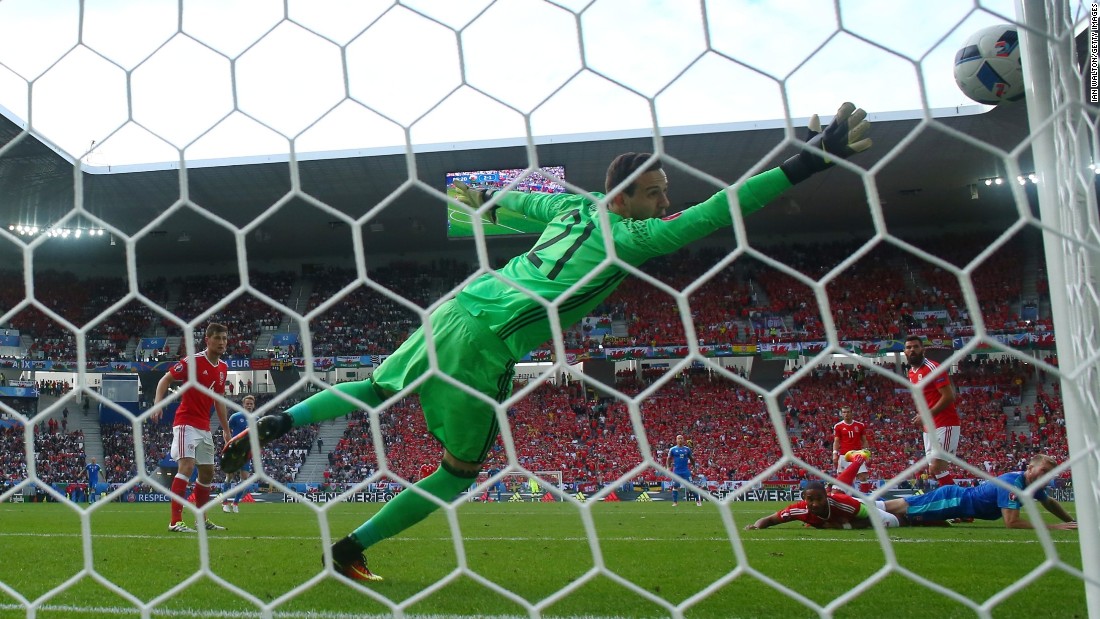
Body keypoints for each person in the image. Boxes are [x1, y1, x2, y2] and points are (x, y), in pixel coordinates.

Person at [221, 103, 873, 581]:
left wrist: (477, 200)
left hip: (454, 305)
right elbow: (724, 208)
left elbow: (475, 196)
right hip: (487, 338)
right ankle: (350, 547)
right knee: (456, 473)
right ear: (624, 196)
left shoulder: (569, 206)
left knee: (376, 385)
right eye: (655, 194)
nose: (665, 203)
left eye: (665, 193)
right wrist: (812, 157)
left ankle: (276, 419)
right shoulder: (633, 235)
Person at [152, 323, 232, 533]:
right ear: (208, 340)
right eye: (218, 338)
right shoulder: (192, 362)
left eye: (224, 338)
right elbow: (165, 379)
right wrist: (158, 404)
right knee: (186, 467)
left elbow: (219, 400)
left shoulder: (223, 368)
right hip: (185, 423)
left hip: (204, 426)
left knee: (207, 472)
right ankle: (175, 521)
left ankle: (201, 519)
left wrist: (225, 429)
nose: (222, 342)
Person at [882, 454, 1077, 529]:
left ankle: (860, 509)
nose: (1047, 476)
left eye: (1051, 474)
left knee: (906, 517)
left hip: (957, 505)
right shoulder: (1013, 484)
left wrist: (1070, 521)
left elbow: (1049, 502)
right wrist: (1054, 527)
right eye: (1043, 471)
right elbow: (1012, 522)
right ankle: (859, 507)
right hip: (953, 500)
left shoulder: (1031, 485)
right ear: (1030, 469)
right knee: (900, 508)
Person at [745, 453, 898, 529]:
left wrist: (845, 526)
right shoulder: (799, 510)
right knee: (886, 505)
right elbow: (770, 519)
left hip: (859, 508)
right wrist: (756, 526)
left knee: (897, 520)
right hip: (846, 503)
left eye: (819, 499)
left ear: (826, 496)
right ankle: (859, 459)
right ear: (804, 498)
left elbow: (869, 516)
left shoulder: (842, 504)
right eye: (810, 499)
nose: (815, 504)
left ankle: (859, 459)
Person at [904, 335, 960, 489]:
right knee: (935, 471)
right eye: (909, 347)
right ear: (904, 352)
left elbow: (949, 396)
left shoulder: (933, 367)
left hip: (944, 423)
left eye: (916, 346)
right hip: (929, 428)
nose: (912, 350)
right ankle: (955, 506)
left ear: (923, 349)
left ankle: (961, 506)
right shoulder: (911, 372)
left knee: (937, 467)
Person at [223, 394, 257, 514]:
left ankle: (235, 503)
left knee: (244, 479)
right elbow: (225, 430)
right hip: (234, 451)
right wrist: (228, 444)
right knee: (230, 477)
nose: (249, 405)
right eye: (247, 403)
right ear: (243, 405)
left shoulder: (257, 419)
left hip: (246, 452)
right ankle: (225, 502)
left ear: (254, 405)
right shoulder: (235, 417)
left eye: (251, 404)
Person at [832, 406, 870, 488]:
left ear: (851, 413)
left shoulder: (860, 425)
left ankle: (865, 497)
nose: (846, 414)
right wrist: (835, 453)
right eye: (844, 412)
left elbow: (864, 440)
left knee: (863, 476)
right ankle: (843, 498)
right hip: (844, 455)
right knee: (842, 478)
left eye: (848, 412)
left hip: (858, 454)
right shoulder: (838, 426)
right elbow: (836, 441)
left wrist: (866, 452)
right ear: (842, 414)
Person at [664, 434, 699, 507]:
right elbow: (669, 458)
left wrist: (694, 467)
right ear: (676, 440)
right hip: (676, 471)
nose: (680, 439)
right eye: (678, 438)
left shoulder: (687, 449)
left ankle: (698, 501)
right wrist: (668, 467)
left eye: (681, 438)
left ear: (683, 440)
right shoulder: (673, 449)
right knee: (675, 486)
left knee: (691, 486)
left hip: (685, 471)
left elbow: (691, 459)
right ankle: (675, 502)